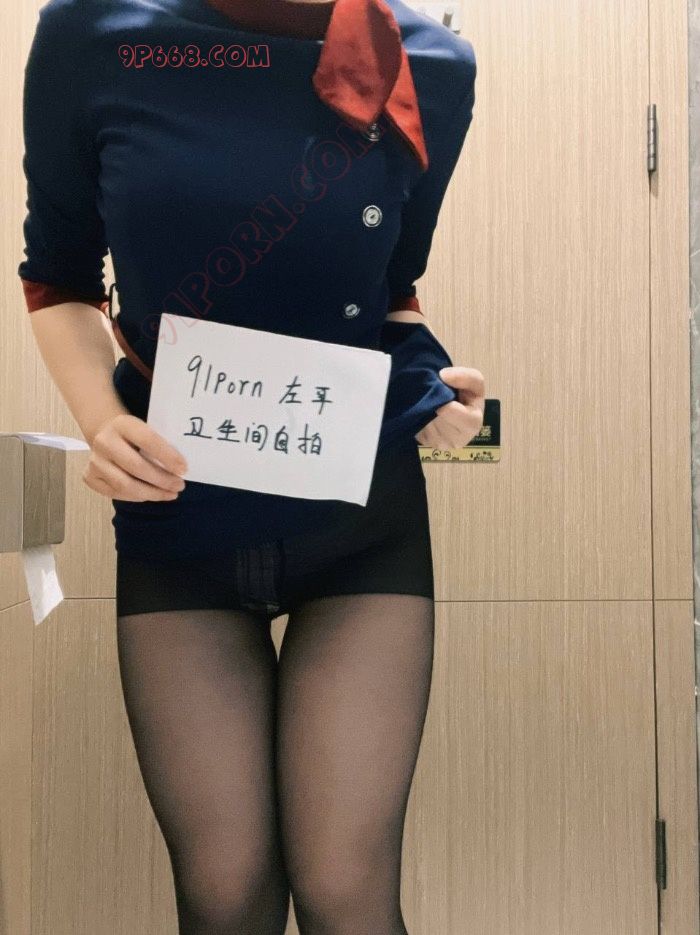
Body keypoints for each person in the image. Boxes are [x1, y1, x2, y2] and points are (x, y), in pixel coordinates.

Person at [18, 0, 484, 931]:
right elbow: (58, 275)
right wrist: (102, 421)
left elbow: (392, 291)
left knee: (347, 892)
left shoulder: (431, 60)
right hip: (178, 507)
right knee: (224, 895)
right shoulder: (90, 30)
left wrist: (441, 392)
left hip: (359, 513)